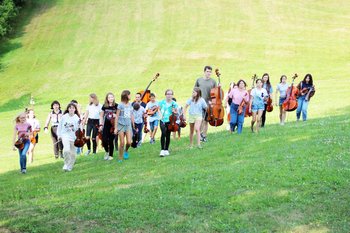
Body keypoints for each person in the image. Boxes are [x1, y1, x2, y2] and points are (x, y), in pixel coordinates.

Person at [194, 66, 217, 142]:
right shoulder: (199, 80)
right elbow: (195, 90)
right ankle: (199, 135)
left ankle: (204, 136)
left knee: (206, 120)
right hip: (199, 103)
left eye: (210, 72)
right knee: (200, 120)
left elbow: (216, 92)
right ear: (204, 72)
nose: (209, 73)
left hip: (208, 104)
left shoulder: (213, 81)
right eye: (207, 71)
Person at [57, 103, 81, 172]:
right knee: (66, 150)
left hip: (73, 138)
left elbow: (79, 128)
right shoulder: (64, 117)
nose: (71, 109)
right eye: (70, 108)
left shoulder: (77, 118)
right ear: (68, 109)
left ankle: (70, 166)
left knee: (73, 154)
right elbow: (60, 126)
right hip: (65, 136)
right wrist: (59, 135)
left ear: (75, 109)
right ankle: (66, 164)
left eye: (73, 108)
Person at [114, 90, 135, 162]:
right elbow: (117, 116)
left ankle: (126, 150)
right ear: (126, 96)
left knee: (129, 142)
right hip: (121, 125)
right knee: (122, 143)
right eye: (129, 95)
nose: (130, 96)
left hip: (128, 125)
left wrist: (133, 124)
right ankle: (120, 158)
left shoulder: (130, 105)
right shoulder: (120, 105)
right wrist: (116, 128)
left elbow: (131, 114)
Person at [158, 89, 178, 157]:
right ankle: (162, 150)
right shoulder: (161, 102)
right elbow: (158, 109)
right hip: (162, 120)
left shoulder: (174, 103)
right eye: (168, 94)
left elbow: (176, 112)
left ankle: (166, 149)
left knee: (168, 135)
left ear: (172, 95)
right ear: (165, 95)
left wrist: (174, 111)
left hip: (170, 121)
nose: (169, 95)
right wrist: (160, 116)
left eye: (170, 94)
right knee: (163, 133)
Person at [99, 93, 118, 160]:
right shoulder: (104, 106)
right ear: (107, 99)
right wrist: (101, 125)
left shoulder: (116, 106)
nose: (111, 98)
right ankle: (107, 151)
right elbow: (101, 116)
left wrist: (116, 116)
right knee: (104, 140)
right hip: (105, 126)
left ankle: (111, 155)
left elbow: (120, 115)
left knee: (110, 140)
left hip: (113, 126)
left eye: (112, 97)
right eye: (109, 97)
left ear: (113, 98)